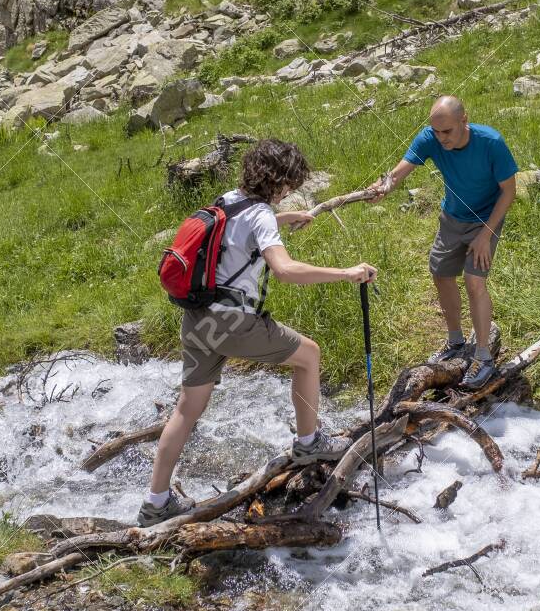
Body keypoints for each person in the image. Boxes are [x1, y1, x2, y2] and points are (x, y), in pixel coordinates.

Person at [139, 138, 377, 526]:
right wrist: (346, 273)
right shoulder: (261, 215)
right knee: (309, 355)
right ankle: (308, 443)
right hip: (233, 322)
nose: (290, 193)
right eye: (291, 185)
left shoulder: (227, 199)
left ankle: (156, 502)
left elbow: (237, 231)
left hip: (197, 320)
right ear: (281, 182)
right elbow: (284, 270)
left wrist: (285, 220)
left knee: (186, 410)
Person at [372, 95, 518, 389]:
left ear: (464, 120)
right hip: (452, 216)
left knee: (474, 282)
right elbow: (400, 170)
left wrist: (484, 235)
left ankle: (483, 358)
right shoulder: (431, 138)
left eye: (447, 131)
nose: (441, 138)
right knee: (440, 273)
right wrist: (385, 185)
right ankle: (455, 342)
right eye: (436, 132)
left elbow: (509, 192)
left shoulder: (491, 142)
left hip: (486, 218)